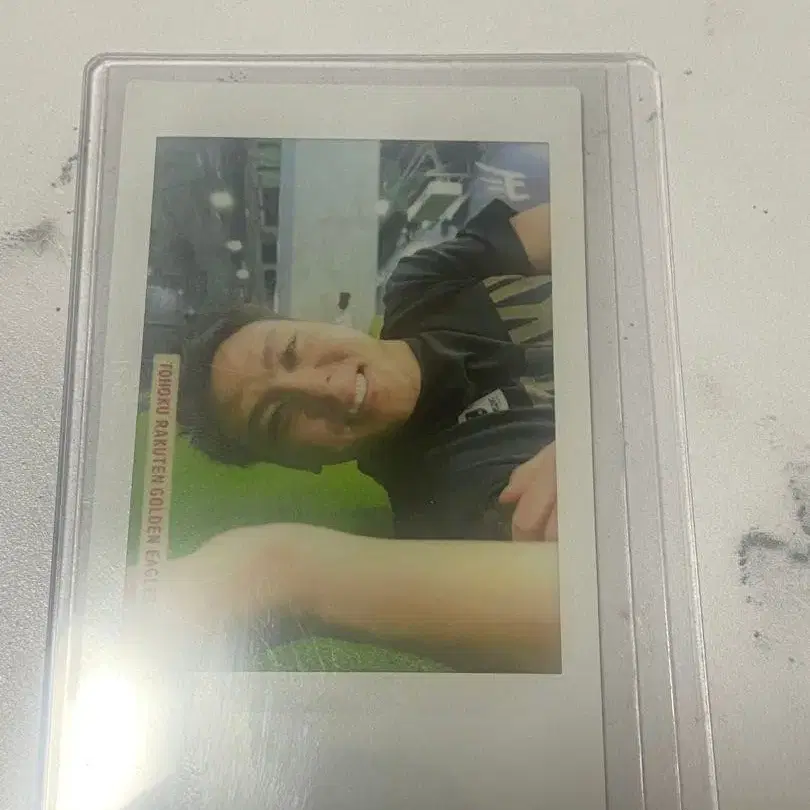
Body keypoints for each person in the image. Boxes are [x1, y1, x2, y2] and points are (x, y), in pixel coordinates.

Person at [164, 198, 560, 672]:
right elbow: (582, 599)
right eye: (279, 418)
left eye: (291, 351)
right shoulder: (442, 513)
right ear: (302, 464)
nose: (322, 388)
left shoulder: (428, 282)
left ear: (316, 320)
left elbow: (592, 221)